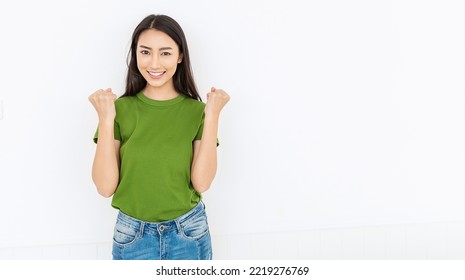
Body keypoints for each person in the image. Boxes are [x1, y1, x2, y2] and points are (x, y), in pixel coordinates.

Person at [88, 14, 230, 260]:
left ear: (180, 56)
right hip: (132, 236)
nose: (154, 63)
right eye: (145, 52)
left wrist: (213, 114)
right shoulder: (119, 110)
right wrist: (106, 119)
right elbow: (105, 187)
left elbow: (202, 183)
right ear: (136, 55)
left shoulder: (197, 112)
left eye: (165, 53)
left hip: (188, 232)